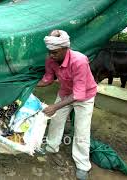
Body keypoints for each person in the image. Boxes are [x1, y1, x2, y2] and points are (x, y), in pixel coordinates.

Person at [37, 30, 97, 180]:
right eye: (49, 52)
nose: (51, 55)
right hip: (65, 92)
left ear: (66, 48)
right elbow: (48, 79)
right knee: (56, 121)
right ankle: (51, 147)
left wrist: (55, 107)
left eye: (55, 52)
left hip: (85, 96)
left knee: (81, 128)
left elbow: (78, 94)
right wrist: (29, 86)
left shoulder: (79, 60)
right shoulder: (50, 59)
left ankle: (83, 165)